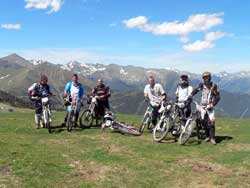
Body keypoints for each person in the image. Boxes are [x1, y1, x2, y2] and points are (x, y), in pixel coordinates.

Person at [191, 71, 220, 145]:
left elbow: (217, 97)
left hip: (210, 106)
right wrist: (191, 95)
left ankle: (212, 138)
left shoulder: (214, 86)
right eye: (204, 77)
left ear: (210, 77)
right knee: (204, 122)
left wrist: (212, 104)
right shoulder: (201, 85)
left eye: (207, 77)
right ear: (203, 79)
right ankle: (207, 136)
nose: (206, 79)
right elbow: (196, 90)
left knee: (211, 122)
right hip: (202, 106)